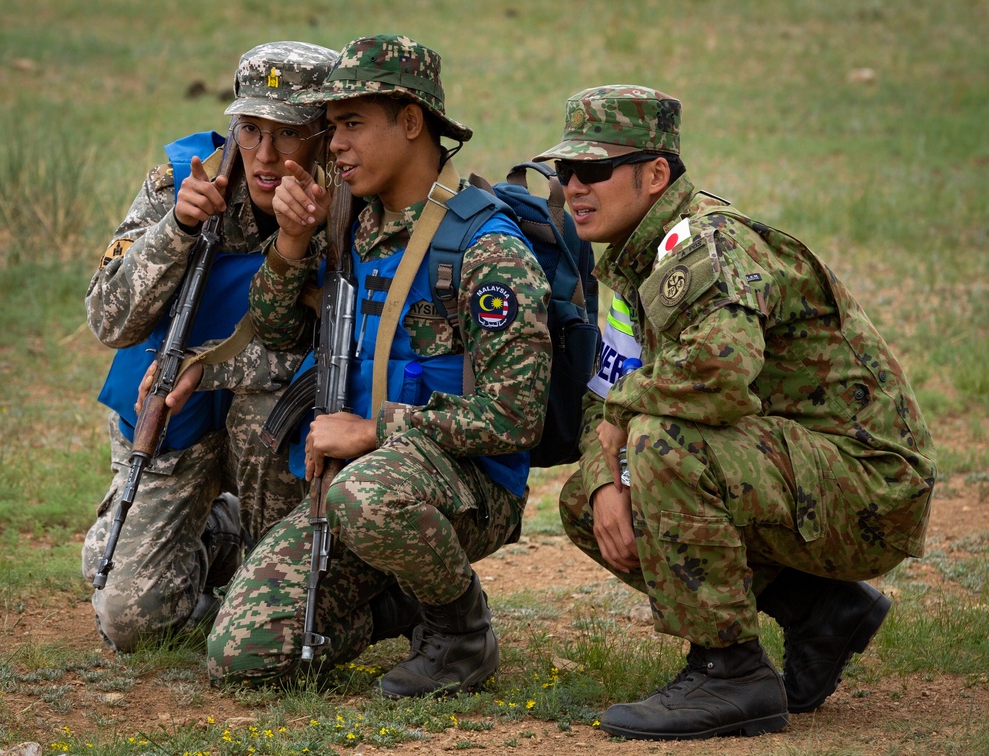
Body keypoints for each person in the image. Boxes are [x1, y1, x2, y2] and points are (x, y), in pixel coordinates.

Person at [534, 85, 937, 741]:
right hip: (794, 473)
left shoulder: (704, 249)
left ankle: (731, 670)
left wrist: (624, 419)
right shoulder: (632, 264)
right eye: (566, 171)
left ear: (655, 173)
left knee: (663, 445)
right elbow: (602, 399)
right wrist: (607, 473)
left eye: (595, 170)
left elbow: (719, 381)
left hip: (871, 485)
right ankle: (819, 611)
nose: (575, 186)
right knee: (590, 495)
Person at [206, 34, 551, 698]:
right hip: (362, 487)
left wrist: (376, 432)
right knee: (242, 655)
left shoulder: (485, 249)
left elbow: (515, 419)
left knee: (367, 495)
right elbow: (277, 334)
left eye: (353, 124)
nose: (333, 145)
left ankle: (460, 634)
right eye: (332, 127)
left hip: (464, 488)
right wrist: (292, 243)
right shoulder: (351, 226)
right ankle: (403, 599)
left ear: (412, 121)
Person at [81, 41, 339, 652]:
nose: (265, 156)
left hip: (273, 430)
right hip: (176, 421)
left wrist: (215, 370)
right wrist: (177, 229)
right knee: (130, 620)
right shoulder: (182, 179)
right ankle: (217, 536)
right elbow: (107, 320)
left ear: (325, 135)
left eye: (289, 133)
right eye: (250, 130)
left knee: (276, 614)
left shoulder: (351, 206)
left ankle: (257, 555)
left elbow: (337, 354)